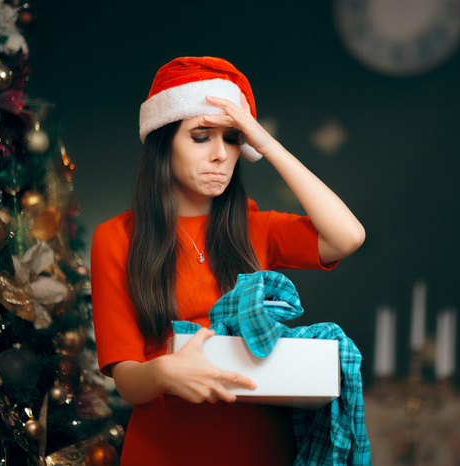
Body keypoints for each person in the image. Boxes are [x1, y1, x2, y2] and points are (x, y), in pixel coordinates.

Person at [90, 56, 365, 465]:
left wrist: (266, 144)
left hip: (261, 448)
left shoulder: (255, 226)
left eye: (233, 139)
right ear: (164, 142)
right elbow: (126, 377)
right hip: (165, 450)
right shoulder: (116, 237)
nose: (221, 154)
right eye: (201, 136)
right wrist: (164, 372)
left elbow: (348, 237)